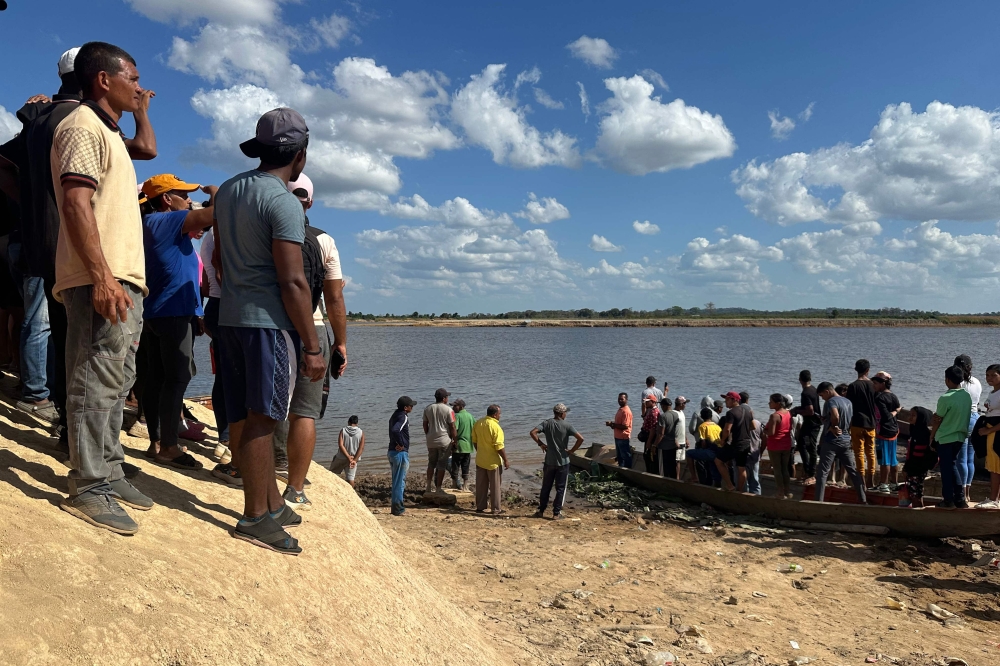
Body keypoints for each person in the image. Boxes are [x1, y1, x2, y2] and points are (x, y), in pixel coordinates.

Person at [51, 42, 160, 534]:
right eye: (133, 79)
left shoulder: (109, 131)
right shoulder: (80, 126)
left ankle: (110, 468)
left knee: (116, 380)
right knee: (94, 377)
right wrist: (100, 276)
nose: (139, 87)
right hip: (102, 276)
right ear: (103, 80)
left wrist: (142, 113)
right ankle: (88, 483)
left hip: (122, 278)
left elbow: (148, 149)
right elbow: (76, 203)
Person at [213, 107, 324, 555]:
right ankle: (255, 517)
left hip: (231, 317)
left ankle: (271, 502)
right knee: (264, 418)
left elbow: (218, 258)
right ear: (300, 156)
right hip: (268, 325)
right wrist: (313, 346)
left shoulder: (229, 191)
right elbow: (293, 281)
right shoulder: (282, 201)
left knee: (244, 412)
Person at [271, 172, 348, 511]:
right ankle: (295, 488)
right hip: (311, 330)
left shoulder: (263, 232)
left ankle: (266, 464)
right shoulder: (324, 241)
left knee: (265, 403)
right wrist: (340, 344)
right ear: (310, 202)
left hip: (268, 325)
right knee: (305, 411)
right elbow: (334, 300)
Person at [137, 174, 214, 471]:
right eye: (183, 194)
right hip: (171, 312)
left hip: (157, 311)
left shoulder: (151, 223)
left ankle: (156, 442)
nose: (190, 199)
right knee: (177, 377)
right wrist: (215, 190)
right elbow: (217, 213)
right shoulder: (169, 220)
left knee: (156, 377)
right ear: (167, 199)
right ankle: (169, 446)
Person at [199, 224, 229, 461]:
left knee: (224, 377)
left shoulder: (209, 236)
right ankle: (228, 440)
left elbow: (208, 286)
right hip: (230, 305)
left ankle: (225, 437)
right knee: (237, 377)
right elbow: (220, 273)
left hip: (216, 307)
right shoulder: (224, 228)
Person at [813, 382, 867, 504]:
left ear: (827, 392)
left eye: (822, 395)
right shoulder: (848, 402)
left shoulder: (831, 401)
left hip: (832, 441)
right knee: (852, 471)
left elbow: (836, 415)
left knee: (822, 472)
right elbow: (851, 420)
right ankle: (863, 499)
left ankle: (818, 502)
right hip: (845, 440)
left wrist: (833, 426)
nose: (822, 398)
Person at [930, 365, 974, 509]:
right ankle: (960, 499)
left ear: (947, 380)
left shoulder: (945, 398)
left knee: (946, 470)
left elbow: (937, 420)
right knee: (952, 466)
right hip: (960, 437)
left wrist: (932, 437)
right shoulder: (966, 396)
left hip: (945, 437)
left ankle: (948, 499)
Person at [531, 403, 584, 519]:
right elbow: (581, 439)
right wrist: (571, 451)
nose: (566, 414)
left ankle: (541, 511)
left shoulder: (546, 423)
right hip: (563, 462)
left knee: (546, 487)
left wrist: (541, 444)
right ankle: (556, 513)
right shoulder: (567, 425)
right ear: (562, 413)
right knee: (560, 488)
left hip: (549, 461)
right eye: (565, 413)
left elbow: (533, 432)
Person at [845, 359, 878, 489]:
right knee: (870, 453)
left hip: (857, 423)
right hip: (871, 423)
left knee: (858, 453)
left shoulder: (853, 386)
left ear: (856, 370)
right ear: (868, 370)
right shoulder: (873, 385)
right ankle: (871, 480)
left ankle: (861, 482)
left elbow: (849, 406)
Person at [472, 404, 509, 514]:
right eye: (499, 414)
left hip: (481, 459)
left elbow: (474, 440)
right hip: (493, 462)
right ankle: (496, 509)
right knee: (495, 486)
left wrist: (480, 451)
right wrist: (506, 460)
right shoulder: (496, 427)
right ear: (495, 415)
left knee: (481, 486)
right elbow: (499, 446)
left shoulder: (479, 423)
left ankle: (480, 507)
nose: (500, 416)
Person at [954, 354, 981, 504]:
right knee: (970, 458)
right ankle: (968, 492)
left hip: (963, 419)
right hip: (975, 418)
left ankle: (962, 494)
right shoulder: (976, 381)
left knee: (961, 459)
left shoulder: (959, 382)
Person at [973, 364, 1000, 509]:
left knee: (996, 467)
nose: (989, 378)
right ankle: (995, 499)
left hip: (996, 434)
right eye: (987, 375)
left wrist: (989, 431)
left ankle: (994, 500)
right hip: (990, 432)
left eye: (993, 375)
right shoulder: (993, 392)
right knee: (993, 466)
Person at [715, 391, 753, 491]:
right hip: (746, 443)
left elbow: (727, 429)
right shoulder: (747, 411)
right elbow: (752, 426)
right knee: (741, 468)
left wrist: (723, 440)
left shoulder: (731, 413)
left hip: (735, 444)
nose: (725, 401)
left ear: (735, 400)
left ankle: (730, 485)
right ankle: (739, 490)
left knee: (718, 461)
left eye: (727, 399)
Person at [423, 388, 457, 494]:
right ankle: (438, 488)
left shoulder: (428, 408)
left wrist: (428, 434)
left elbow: (425, 424)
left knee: (431, 463)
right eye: (447, 397)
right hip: (444, 440)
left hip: (431, 441)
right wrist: (454, 440)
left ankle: (428, 486)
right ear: (444, 399)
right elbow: (452, 426)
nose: (448, 399)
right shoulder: (449, 410)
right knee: (441, 464)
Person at [901, 407, 936, 508]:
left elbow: (917, 456)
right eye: (910, 415)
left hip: (917, 469)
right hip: (913, 467)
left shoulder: (922, 434)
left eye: (913, 415)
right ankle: (918, 508)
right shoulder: (914, 430)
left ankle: (919, 510)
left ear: (920, 418)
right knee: (915, 492)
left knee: (916, 492)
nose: (910, 417)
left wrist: (907, 468)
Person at [791, 370, 821, 485]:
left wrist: (796, 411)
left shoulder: (806, 392)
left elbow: (810, 411)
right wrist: (798, 408)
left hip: (812, 423)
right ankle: (808, 472)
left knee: (808, 447)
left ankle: (810, 474)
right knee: (805, 445)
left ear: (800, 379)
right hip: (814, 422)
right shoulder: (813, 389)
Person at [872, 371, 900, 492]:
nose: (874, 386)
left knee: (884, 460)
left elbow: (886, 416)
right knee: (893, 459)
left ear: (883, 383)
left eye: (875, 383)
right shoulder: (893, 396)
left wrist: (896, 412)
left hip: (883, 432)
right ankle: (894, 483)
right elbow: (895, 411)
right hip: (893, 431)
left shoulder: (879, 398)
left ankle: (883, 484)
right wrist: (897, 411)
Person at [388, 396, 415, 516]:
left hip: (392, 452)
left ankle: (395, 508)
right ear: (405, 408)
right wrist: (401, 444)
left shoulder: (394, 415)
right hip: (400, 453)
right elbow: (395, 430)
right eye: (411, 406)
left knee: (396, 481)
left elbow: (393, 430)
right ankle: (398, 509)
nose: (412, 407)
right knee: (400, 482)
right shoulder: (403, 416)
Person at [765, 393, 793, 499]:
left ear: (777, 403)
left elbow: (771, 433)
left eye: (771, 401)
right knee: (784, 469)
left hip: (775, 445)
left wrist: (764, 430)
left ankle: (780, 493)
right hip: (786, 444)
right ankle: (787, 492)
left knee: (777, 470)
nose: (769, 403)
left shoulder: (774, 416)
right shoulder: (789, 414)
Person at [687, 406, 722, 485]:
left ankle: (694, 477)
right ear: (711, 416)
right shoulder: (717, 427)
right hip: (719, 451)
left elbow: (703, 443)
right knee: (713, 468)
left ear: (702, 417)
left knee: (689, 453)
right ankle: (717, 485)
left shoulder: (702, 426)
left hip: (710, 451)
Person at [331, 415, 364, 488]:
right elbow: (361, 448)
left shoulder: (343, 430)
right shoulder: (361, 432)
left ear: (348, 422)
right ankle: (352, 493)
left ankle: (333, 488)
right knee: (350, 478)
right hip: (353, 459)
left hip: (341, 457)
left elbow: (340, 445)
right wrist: (354, 460)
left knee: (332, 473)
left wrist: (348, 457)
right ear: (357, 423)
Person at [450, 399, 475, 489]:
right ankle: (465, 485)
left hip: (459, 445)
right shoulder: (470, 416)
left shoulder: (457, 416)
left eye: (454, 406)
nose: (452, 408)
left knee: (455, 465)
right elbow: (475, 429)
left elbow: (454, 430)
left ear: (460, 407)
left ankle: (454, 484)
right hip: (468, 446)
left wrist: (453, 442)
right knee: (465, 466)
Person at [653, 396, 680, 478]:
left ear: (664, 406)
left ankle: (664, 483)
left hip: (664, 446)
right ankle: (674, 482)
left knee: (663, 468)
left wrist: (654, 445)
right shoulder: (676, 414)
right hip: (673, 445)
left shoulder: (663, 416)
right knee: (672, 466)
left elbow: (661, 434)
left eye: (661, 406)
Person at [606, 392, 633, 469]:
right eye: (619, 399)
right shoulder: (621, 409)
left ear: (626, 400)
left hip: (623, 437)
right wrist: (611, 424)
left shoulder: (626, 411)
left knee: (626, 456)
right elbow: (619, 424)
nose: (620, 400)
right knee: (620, 456)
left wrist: (613, 424)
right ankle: (621, 470)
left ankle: (628, 471)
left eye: (622, 399)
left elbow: (625, 426)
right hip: (618, 436)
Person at [639, 395, 660, 473]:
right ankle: (649, 471)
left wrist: (649, 441)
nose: (646, 403)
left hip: (650, 437)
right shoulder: (649, 410)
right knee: (646, 456)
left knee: (649, 456)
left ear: (653, 402)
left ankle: (651, 473)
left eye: (648, 401)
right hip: (647, 435)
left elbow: (653, 429)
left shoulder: (654, 413)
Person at [672, 397, 689, 479]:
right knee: (676, 461)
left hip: (682, 441)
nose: (685, 405)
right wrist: (675, 440)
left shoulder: (682, 412)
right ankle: (676, 479)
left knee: (679, 460)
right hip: (677, 441)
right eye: (685, 403)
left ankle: (677, 478)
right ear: (681, 404)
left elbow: (683, 427)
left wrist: (686, 439)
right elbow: (671, 429)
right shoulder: (674, 413)